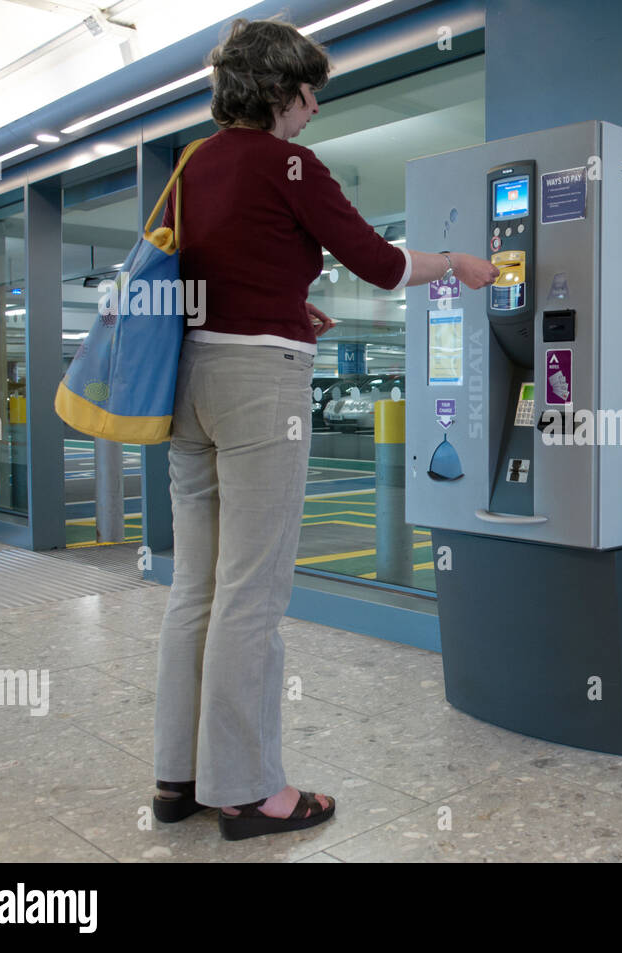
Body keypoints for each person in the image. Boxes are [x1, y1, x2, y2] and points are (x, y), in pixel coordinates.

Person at [151, 16, 498, 841]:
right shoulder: (289, 161)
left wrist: (283, 308)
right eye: (309, 94)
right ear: (280, 90)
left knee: (195, 586)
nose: (313, 111)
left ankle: (178, 778)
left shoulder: (192, 164)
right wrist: (457, 264)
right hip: (256, 388)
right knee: (254, 592)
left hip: (186, 380)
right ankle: (248, 790)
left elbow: (194, 269)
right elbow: (379, 262)